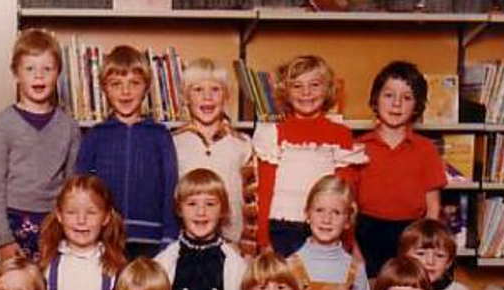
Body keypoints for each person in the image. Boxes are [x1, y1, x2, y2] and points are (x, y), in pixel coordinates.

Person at [251, 55, 365, 257]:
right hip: (281, 228)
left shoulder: (340, 134)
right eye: (297, 86)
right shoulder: (272, 134)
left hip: (325, 228)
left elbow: (345, 195)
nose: (306, 93)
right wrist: (263, 240)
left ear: (328, 89)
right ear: (286, 91)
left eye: (314, 85)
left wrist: (348, 240)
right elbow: (264, 191)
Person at [0, 28, 81, 262]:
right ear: (16, 74)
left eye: (47, 69)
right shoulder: (2, 124)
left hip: (55, 223)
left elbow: (72, 185)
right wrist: (3, 239)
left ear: (58, 73)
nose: (39, 76)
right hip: (13, 223)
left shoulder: (69, 127)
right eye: (30, 69)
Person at [74, 45, 178, 259]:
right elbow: (81, 190)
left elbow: (171, 188)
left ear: (147, 87)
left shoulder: (160, 135)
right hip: (104, 238)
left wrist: (169, 236)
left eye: (134, 83)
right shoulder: (95, 136)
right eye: (116, 84)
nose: (125, 92)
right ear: (104, 89)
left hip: (151, 239)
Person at [355, 61, 447, 278]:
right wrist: (353, 248)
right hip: (367, 232)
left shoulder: (426, 149)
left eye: (406, 98)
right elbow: (349, 205)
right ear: (375, 100)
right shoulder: (358, 147)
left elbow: (432, 209)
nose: (396, 104)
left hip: (411, 235)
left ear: (417, 106)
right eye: (389, 95)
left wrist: (427, 248)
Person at [172, 58, 254, 251]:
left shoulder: (243, 144)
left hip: (232, 246)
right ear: (185, 97)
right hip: (184, 245)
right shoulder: (173, 143)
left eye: (215, 89)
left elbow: (252, 202)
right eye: (198, 90)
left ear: (226, 95)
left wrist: (249, 248)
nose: (207, 97)